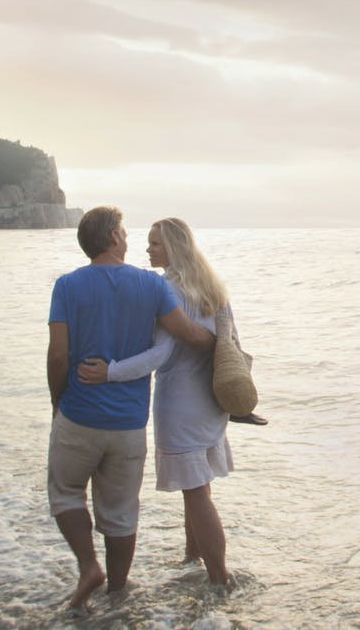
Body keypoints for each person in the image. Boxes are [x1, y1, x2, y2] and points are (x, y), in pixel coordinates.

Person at [47, 207, 215, 610]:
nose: (128, 238)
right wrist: (220, 342)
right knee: (121, 513)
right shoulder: (151, 286)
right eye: (123, 231)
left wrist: (58, 403)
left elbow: (58, 355)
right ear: (113, 238)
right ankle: (117, 594)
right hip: (128, 424)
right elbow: (189, 334)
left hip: (79, 415)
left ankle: (89, 566)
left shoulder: (67, 286)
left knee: (66, 493)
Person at [77, 218, 251, 587]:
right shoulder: (212, 287)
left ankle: (219, 578)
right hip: (211, 400)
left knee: (196, 494)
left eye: (155, 244)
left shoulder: (167, 289)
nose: (148, 249)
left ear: (173, 247)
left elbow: (159, 355)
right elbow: (231, 342)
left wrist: (110, 372)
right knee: (199, 487)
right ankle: (192, 558)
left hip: (180, 403)